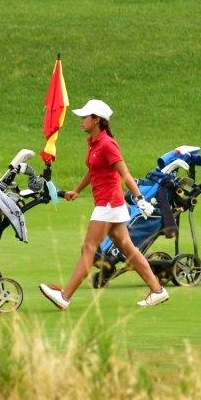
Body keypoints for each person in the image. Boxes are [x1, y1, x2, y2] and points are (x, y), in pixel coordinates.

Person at [40, 98, 170, 309]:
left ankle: (65, 297)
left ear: (97, 119)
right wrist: (77, 191)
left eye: (85, 117)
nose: (81, 120)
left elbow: (125, 174)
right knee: (128, 248)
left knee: (89, 248)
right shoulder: (93, 143)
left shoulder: (108, 144)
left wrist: (139, 199)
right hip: (109, 204)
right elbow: (93, 171)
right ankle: (158, 290)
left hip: (109, 204)